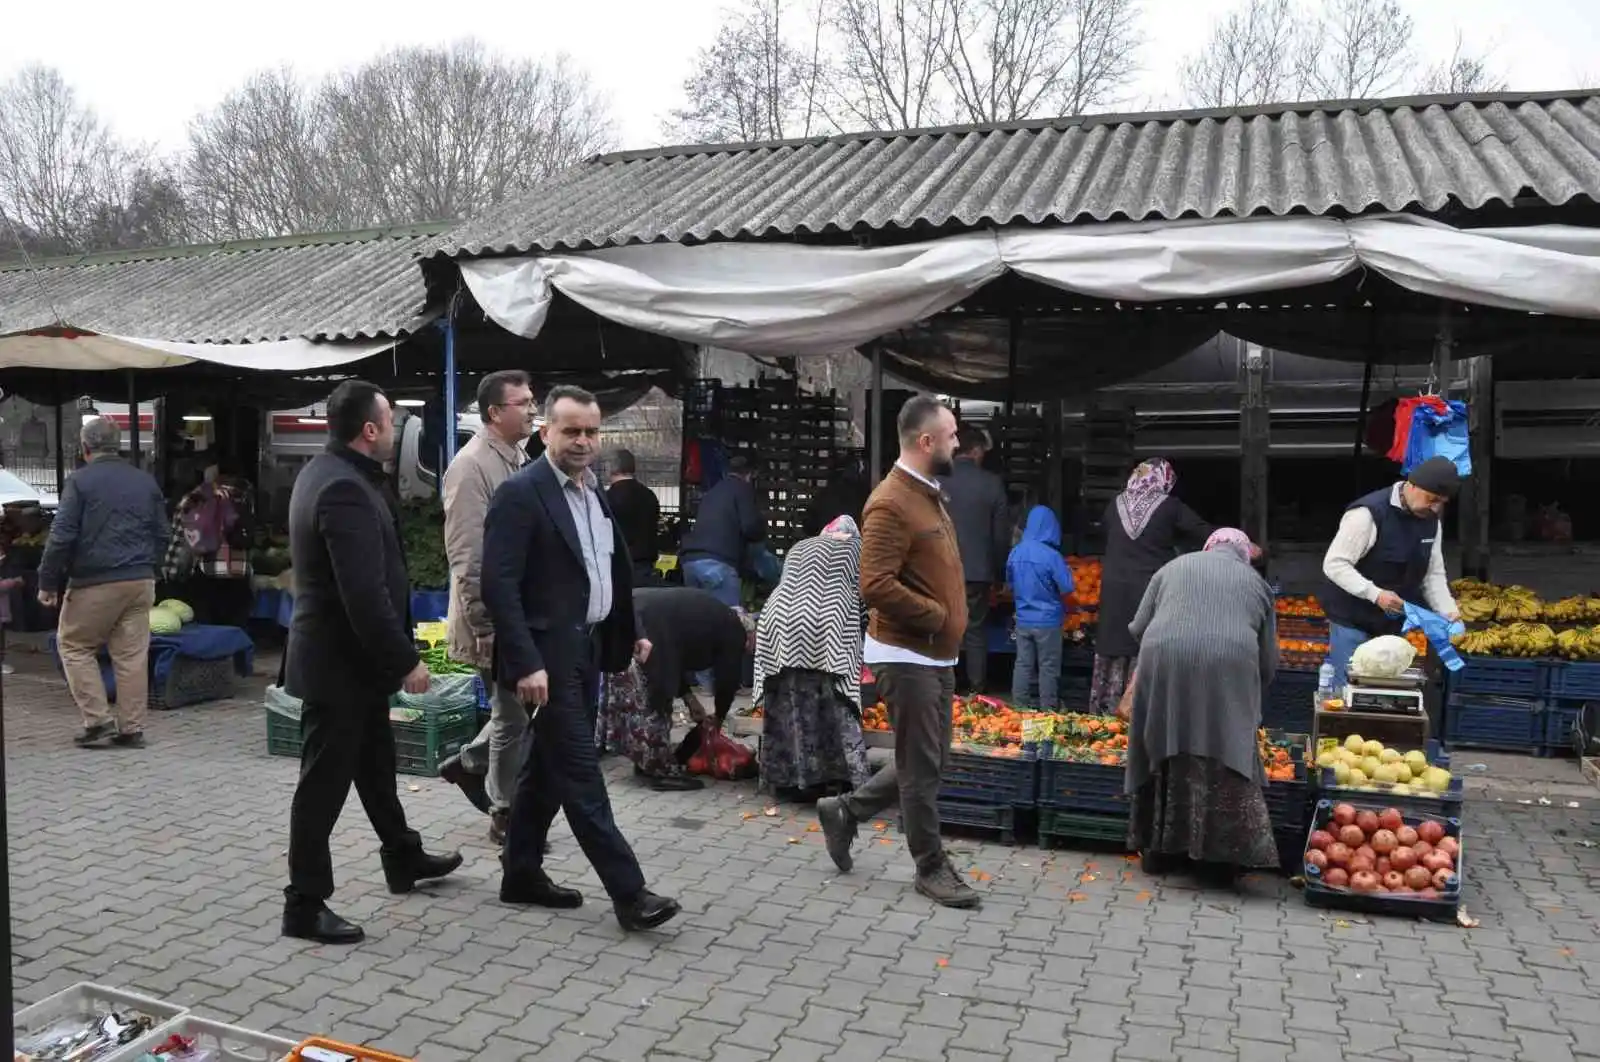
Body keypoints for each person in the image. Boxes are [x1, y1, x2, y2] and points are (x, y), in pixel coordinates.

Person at [480, 384, 679, 931]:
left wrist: (631, 627)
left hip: (587, 650)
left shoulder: (594, 495)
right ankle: (630, 894)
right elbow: (498, 585)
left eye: (591, 431)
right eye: (571, 430)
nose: (583, 441)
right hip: (545, 658)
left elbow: (605, 569)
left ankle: (520, 872)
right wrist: (525, 663)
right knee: (580, 773)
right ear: (546, 432)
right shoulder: (522, 494)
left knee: (546, 771)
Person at [281, 381, 462, 945]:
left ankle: (402, 857)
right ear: (370, 430)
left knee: (376, 767)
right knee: (322, 785)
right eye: (391, 420)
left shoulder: (334, 474)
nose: (396, 429)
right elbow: (363, 593)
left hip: (351, 665)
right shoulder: (342, 488)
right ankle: (304, 905)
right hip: (340, 666)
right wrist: (405, 660)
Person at [816, 397, 981, 909]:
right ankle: (930, 866)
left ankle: (845, 811)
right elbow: (875, 584)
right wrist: (934, 616)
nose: (958, 442)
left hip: (937, 655)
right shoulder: (890, 501)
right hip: (907, 653)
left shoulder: (929, 495)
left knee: (931, 759)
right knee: (919, 765)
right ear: (926, 442)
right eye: (952, 435)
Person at [1124, 528, 1279, 882]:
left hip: (1164, 658)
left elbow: (1137, 627)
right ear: (1243, 554)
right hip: (1228, 664)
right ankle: (1219, 863)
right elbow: (1268, 662)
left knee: (1164, 742)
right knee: (1225, 751)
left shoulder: (1172, 567)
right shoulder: (1257, 584)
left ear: (1209, 546)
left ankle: (1157, 850)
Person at [436, 370, 536, 844]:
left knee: (516, 713)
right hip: (492, 618)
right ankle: (503, 812)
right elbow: (467, 555)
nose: (533, 410)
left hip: (518, 612)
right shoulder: (471, 466)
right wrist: (485, 624)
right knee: (511, 715)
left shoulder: (517, 458)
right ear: (496, 412)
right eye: (524, 402)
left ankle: (468, 763)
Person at [38, 416, 169, 749]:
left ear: (84, 448)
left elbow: (61, 535)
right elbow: (162, 534)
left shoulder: (80, 482)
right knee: (131, 655)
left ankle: (97, 722)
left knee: (74, 645)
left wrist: (47, 580)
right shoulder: (145, 482)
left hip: (95, 581)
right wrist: (149, 566)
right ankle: (132, 728)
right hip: (141, 581)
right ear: (119, 445)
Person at [754, 516, 873, 799]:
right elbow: (866, 598)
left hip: (779, 620)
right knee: (839, 703)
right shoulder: (860, 549)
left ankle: (785, 778)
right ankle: (855, 783)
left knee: (786, 700)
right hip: (828, 621)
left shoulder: (801, 546)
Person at [1321, 456, 1461, 689]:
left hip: (1393, 626)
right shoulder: (1368, 514)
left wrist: (1447, 611)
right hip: (1353, 621)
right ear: (1412, 485)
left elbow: (1433, 574)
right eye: (1432, 499)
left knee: (1386, 694)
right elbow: (1335, 564)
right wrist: (1375, 594)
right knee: (1348, 690)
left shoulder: (1431, 521)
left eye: (1441, 502)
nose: (1435, 507)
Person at [597, 587, 753, 792]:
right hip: (649, 631)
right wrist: (719, 716)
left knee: (637, 696)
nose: (751, 651)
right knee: (657, 699)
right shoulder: (734, 630)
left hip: (630, 618)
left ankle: (646, 762)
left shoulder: (713, 616)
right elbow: (727, 680)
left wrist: (690, 699)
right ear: (752, 632)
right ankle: (660, 771)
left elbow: (675, 654)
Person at [1092, 458, 1211, 714]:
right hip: (1150, 590)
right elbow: (1202, 532)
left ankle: (1107, 712)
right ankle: (1141, 713)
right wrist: (1238, 542)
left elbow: (1104, 536)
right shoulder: (1170, 506)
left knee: (1114, 645)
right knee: (1145, 645)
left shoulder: (1115, 505)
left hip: (1114, 591)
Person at [943, 426, 1009, 694]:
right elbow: (1000, 537)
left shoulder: (936, 481)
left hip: (940, 568)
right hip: (977, 572)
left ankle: (944, 686)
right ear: (977, 450)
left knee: (943, 627)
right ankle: (976, 690)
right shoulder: (991, 484)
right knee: (975, 629)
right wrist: (999, 574)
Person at [161, 462, 254, 628]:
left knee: (208, 630)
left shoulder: (194, 498)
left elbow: (180, 540)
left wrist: (172, 574)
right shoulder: (244, 496)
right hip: (239, 574)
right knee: (235, 630)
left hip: (206, 574)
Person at [1007, 505, 1074, 710]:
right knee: (1048, 667)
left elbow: (1009, 585)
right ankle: (1048, 709)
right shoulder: (1052, 556)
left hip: (1023, 620)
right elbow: (1067, 589)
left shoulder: (1016, 553)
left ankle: (1019, 707)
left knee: (1023, 664)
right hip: (1048, 621)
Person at [679, 454, 765, 608]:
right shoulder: (743, 489)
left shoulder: (713, 491)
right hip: (717, 564)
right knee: (727, 621)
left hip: (690, 562)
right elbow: (751, 527)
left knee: (696, 620)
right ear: (751, 474)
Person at [607, 449, 661, 587]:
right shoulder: (650, 495)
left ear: (610, 468)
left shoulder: (607, 499)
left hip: (617, 567)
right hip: (646, 566)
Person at [802, 455, 870, 537]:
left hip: (827, 543)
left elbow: (809, 526)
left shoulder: (823, 495)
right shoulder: (862, 493)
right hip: (854, 543)